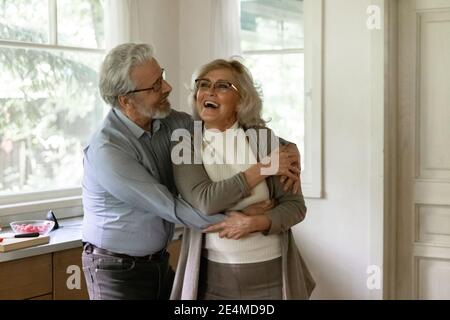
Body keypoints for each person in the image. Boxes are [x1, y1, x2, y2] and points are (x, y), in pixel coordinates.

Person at [81, 43, 301, 300]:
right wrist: (238, 219)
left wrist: (290, 150)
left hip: (158, 262)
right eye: (155, 86)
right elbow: (170, 205)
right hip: (115, 269)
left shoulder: (174, 123)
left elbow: (230, 126)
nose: (167, 87)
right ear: (126, 100)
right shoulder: (108, 150)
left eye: (161, 76)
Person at [170, 59, 315, 300]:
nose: (209, 91)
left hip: (273, 272)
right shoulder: (184, 142)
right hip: (213, 277)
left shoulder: (263, 140)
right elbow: (205, 201)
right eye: (203, 84)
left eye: (223, 86)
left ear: (242, 99)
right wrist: (265, 168)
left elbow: (295, 207)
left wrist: (254, 222)